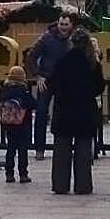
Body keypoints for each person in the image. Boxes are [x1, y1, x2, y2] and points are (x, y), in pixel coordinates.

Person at [49, 27, 105, 195]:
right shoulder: (93, 64)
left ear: (71, 42)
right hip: (85, 110)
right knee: (83, 150)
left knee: (61, 150)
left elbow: (53, 84)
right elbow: (99, 87)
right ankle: (83, 185)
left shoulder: (63, 61)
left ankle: (60, 185)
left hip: (64, 110)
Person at [26, 11, 75, 158]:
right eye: (61, 24)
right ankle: (39, 148)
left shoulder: (74, 39)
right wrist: (37, 75)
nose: (63, 27)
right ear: (57, 23)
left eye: (66, 24)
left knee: (64, 114)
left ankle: (64, 146)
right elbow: (31, 56)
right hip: (46, 81)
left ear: (71, 25)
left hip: (65, 82)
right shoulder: (47, 37)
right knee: (41, 113)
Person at [0, 66, 36, 183]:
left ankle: (9, 174)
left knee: (10, 149)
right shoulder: (23, 90)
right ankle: (23, 174)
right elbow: (33, 104)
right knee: (22, 149)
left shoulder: (4, 90)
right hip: (23, 124)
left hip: (8, 124)